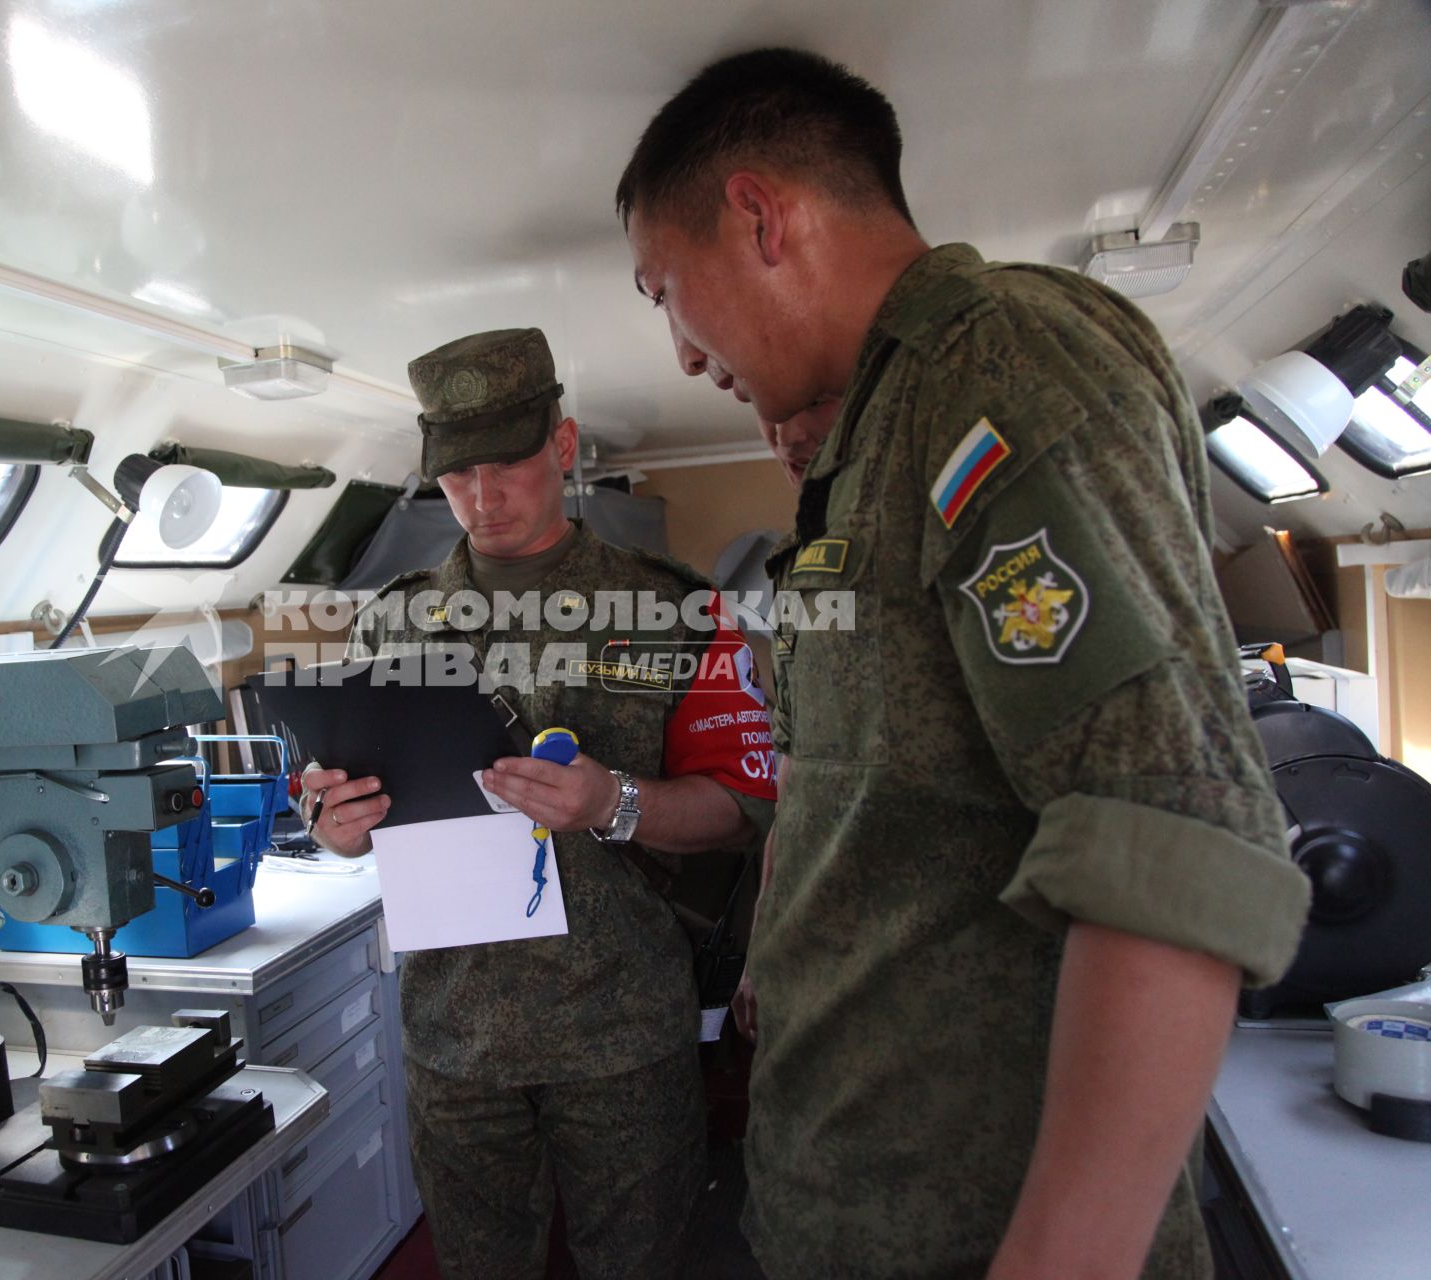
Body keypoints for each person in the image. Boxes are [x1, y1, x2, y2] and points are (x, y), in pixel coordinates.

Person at [616, 48, 1312, 1280]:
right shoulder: (871, 442)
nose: (678, 352)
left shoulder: (999, 367)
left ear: (759, 216)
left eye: (664, 290)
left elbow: (1167, 840)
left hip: (974, 1226)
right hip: (850, 1200)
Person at [300, 327, 775, 1280]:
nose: (481, 496)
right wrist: (334, 825)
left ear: (560, 447)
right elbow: (349, 815)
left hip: (622, 1034)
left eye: (506, 464)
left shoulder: (677, 610)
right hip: (455, 1035)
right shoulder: (389, 620)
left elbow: (742, 807)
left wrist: (614, 801)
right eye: (456, 473)